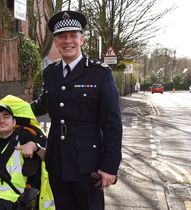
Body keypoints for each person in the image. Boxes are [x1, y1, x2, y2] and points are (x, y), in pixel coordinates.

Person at [31, 10, 123, 210]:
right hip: (57, 161)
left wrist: (110, 166)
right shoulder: (50, 73)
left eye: (73, 35)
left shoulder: (100, 74)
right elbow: (43, 103)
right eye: (62, 36)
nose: (68, 41)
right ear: (55, 41)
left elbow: (112, 125)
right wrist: (10, 111)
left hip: (87, 164)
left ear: (82, 39)